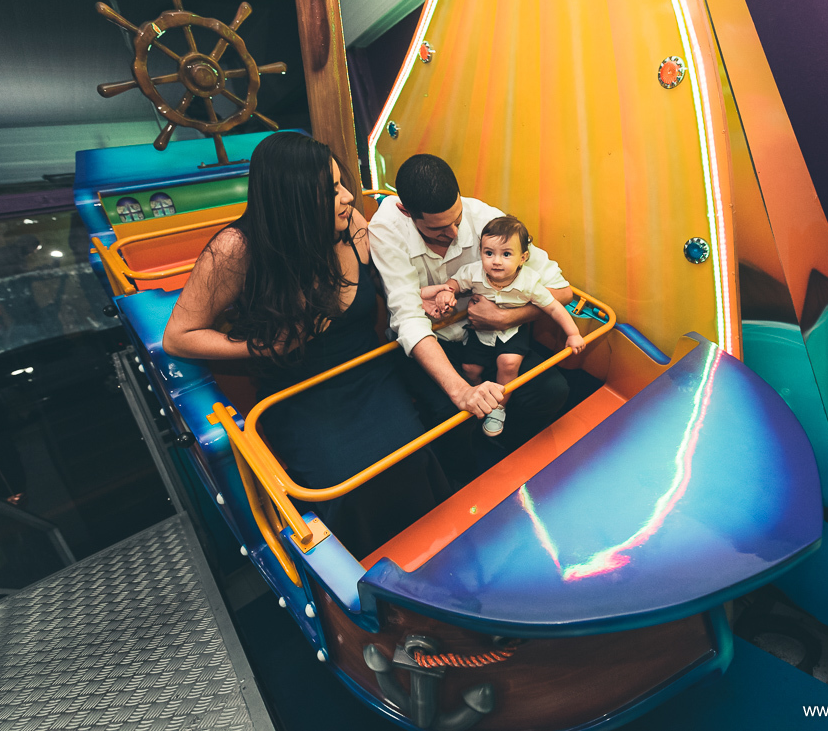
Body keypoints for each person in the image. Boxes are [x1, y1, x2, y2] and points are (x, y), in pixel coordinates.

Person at [163, 132, 446, 559]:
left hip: (368, 375)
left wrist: (420, 296)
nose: (347, 197)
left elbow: (386, 286)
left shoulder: (351, 225)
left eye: (341, 183)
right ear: (292, 199)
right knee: (347, 488)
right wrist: (263, 348)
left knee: (411, 460)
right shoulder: (237, 248)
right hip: (299, 392)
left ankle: (433, 563)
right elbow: (179, 336)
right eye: (331, 190)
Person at [369, 154, 573, 468]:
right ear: (406, 212)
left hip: (484, 335)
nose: (453, 233)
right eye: (439, 229)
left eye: (457, 219)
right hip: (431, 341)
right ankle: (467, 475)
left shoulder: (486, 219)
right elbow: (408, 319)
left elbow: (562, 291)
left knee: (551, 391)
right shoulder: (387, 229)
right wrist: (462, 392)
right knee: (452, 417)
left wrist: (507, 317)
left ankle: (504, 453)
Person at [422, 215, 585, 436]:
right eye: (489, 253)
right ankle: (481, 396)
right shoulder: (474, 272)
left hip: (512, 332)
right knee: (470, 369)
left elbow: (554, 308)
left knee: (508, 363)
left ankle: (499, 409)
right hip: (480, 332)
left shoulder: (529, 282)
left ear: (523, 258)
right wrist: (446, 292)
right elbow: (456, 283)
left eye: (506, 254)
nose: (496, 261)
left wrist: (573, 334)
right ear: (480, 252)